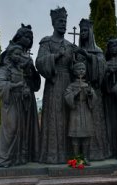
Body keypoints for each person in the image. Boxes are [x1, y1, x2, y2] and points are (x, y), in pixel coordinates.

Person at [35, 7, 75, 164]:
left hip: (69, 84)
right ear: (53, 23)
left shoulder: (70, 45)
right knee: (54, 117)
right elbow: (39, 62)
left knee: (69, 117)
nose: (63, 24)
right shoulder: (47, 42)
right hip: (54, 83)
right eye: (60, 21)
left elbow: (76, 65)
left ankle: (70, 154)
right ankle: (53, 155)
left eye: (65, 21)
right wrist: (55, 56)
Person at [0, 40, 41, 167]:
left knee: (21, 129)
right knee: (11, 128)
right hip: (10, 102)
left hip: (20, 102)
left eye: (20, 55)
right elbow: (0, 84)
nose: (18, 57)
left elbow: (28, 85)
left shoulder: (20, 70)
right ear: (10, 55)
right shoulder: (5, 69)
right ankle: (3, 158)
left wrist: (25, 92)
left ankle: (17, 158)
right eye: (16, 54)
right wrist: (15, 86)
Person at [76, 18, 110, 160]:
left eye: (85, 31)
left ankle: (97, 152)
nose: (83, 33)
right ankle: (81, 154)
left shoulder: (97, 51)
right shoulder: (78, 50)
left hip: (94, 91)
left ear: (90, 32)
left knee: (96, 122)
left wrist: (88, 56)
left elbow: (102, 67)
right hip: (80, 92)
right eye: (81, 31)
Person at [64, 62, 97, 165]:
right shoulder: (71, 85)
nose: (81, 71)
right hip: (76, 112)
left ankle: (85, 158)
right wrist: (75, 93)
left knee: (86, 136)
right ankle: (76, 159)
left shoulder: (87, 85)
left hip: (86, 111)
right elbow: (67, 97)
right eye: (79, 69)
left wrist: (91, 94)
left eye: (83, 69)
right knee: (75, 136)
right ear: (74, 71)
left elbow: (94, 99)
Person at [103, 38, 117, 157]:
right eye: (111, 47)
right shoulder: (105, 63)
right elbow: (101, 81)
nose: (113, 49)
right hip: (108, 97)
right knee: (109, 123)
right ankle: (110, 149)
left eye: (115, 46)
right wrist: (107, 73)